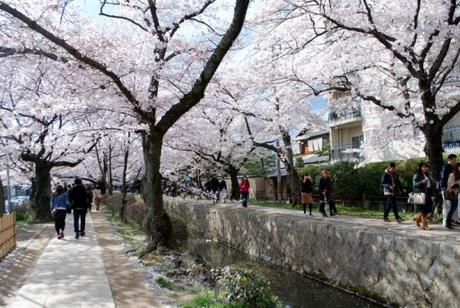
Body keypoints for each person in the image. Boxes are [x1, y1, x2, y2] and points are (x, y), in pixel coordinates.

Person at [412, 163, 433, 230]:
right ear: (420, 168)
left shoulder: (427, 175)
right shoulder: (417, 175)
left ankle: (417, 218)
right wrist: (422, 182)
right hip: (421, 194)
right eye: (423, 167)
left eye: (426, 166)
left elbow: (429, 186)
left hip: (428, 194)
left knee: (427, 209)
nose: (425, 168)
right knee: (424, 210)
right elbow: (415, 185)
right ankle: (424, 225)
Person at [441, 154, 458, 227]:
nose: (455, 161)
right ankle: (445, 222)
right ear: (449, 160)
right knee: (446, 206)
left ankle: (449, 220)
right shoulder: (445, 167)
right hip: (446, 189)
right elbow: (442, 179)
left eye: (455, 160)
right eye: (454, 160)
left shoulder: (453, 167)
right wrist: (443, 189)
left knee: (453, 206)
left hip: (453, 189)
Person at [445, 163, 460, 229]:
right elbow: (449, 184)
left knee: (453, 209)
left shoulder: (459, 175)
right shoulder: (452, 174)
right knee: (452, 209)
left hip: (456, 193)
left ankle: (448, 223)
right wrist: (455, 185)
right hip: (451, 193)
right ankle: (447, 223)